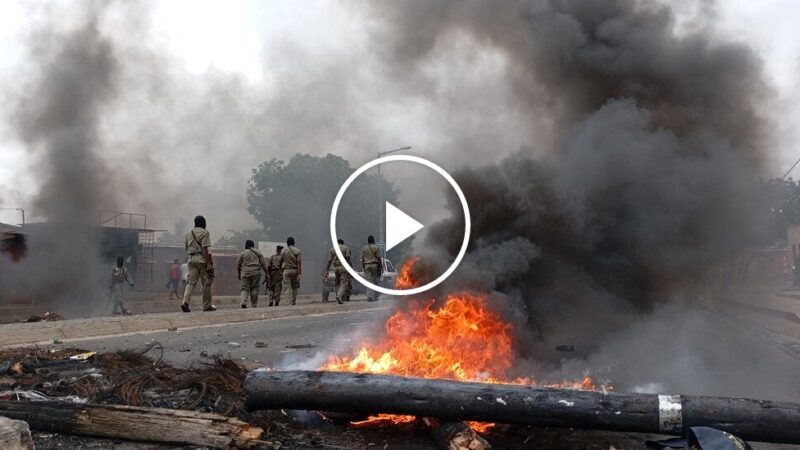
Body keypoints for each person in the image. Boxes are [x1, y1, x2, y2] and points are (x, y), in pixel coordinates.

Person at [181, 215, 216, 312]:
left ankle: (185, 303)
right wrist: (208, 263)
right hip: (202, 259)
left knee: (190, 282)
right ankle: (207, 305)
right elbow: (205, 249)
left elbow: (186, 248)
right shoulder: (205, 233)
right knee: (207, 283)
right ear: (203, 223)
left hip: (191, 259)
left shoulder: (189, 233)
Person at [237, 240, 269, 308]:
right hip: (255, 272)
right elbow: (263, 264)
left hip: (245, 272)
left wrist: (238, 273)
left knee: (244, 288)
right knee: (254, 288)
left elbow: (238, 264)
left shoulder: (243, 253)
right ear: (253, 245)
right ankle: (254, 305)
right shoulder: (258, 252)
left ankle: (243, 302)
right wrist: (267, 273)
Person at [324, 238, 351, 304]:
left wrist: (327, 270)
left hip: (335, 268)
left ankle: (337, 295)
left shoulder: (332, 249)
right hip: (343, 267)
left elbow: (329, 261)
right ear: (343, 243)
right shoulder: (345, 248)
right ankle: (339, 296)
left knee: (337, 283)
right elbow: (348, 259)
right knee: (344, 283)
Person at [279, 237, 302, 306]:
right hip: (295, 271)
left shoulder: (284, 251)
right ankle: (293, 302)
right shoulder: (298, 251)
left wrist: (280, 270)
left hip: (286, 271)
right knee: (295, 287)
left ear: (287, 243)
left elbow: (280, 261)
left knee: (287, 287)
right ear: (294, 243)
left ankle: (288, 303)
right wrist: (299, 273)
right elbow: (299, 262)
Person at [360, 235, 384, 302]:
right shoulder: (376, 247)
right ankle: (376, 296)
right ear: (373, 240)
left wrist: (363, 267)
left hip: (367, 266)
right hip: (375, 265)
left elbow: (362, 259)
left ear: (368, 241)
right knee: (376, 281)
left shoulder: (364, 248)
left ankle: (369, 296)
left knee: (368, 282)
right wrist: (381, 266)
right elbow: (379, 258)